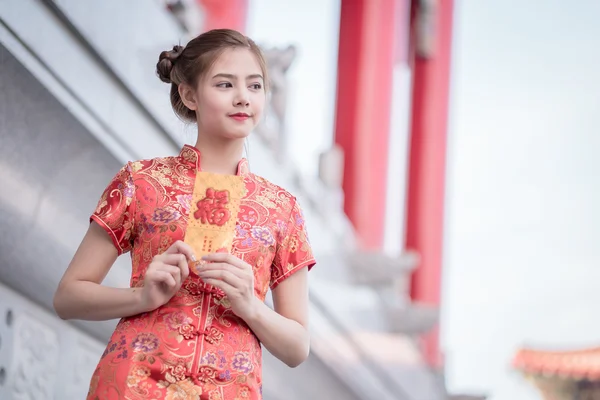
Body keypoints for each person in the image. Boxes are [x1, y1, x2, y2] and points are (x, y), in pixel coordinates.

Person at [53, 28, 316, 400]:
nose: (243, 98)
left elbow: (297, 347)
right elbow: (67, 297)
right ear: (189, 95)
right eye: (225, 85)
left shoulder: (282, 208)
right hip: (133, 384)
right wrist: (142, 297)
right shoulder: (141, 181)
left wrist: (251, 307)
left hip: (230, 391)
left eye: (254, 86)